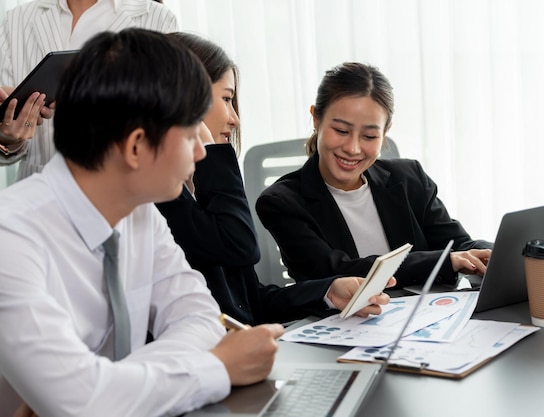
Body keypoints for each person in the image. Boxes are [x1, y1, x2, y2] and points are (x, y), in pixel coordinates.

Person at [0, 28, 284, 417]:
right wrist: (217, 367)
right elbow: (82, 403)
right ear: (136, 147)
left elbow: (200, 317)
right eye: (190, 137)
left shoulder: (141, 214)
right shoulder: (10, 237)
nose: (203, 152)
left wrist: (110, 386)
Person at [155, 33, 395, 325]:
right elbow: (238, 245)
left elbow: (248, 300)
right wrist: (214, 152)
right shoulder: (161, 196)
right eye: (227, 99)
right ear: (187, 99)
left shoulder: (194, 188)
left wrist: (328, 292)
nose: (235, 118)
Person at [256, 62, 493, 288]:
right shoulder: (281, 203)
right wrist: (442, 261)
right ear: (316, 118)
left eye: (369, 136)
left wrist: (496, 252)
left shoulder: (410, 178)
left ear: (385, 132)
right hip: (343, 325)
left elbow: (456, 245)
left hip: (424, 318)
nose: (353, 148)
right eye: (341, 130)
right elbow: (335, 272)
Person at [0, 0, 178, 181]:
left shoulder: (158, 19)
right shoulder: (16, 20)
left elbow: (169, 127)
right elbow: (5, 134)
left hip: (121, 190)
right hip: (36, 192)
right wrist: (9, 139)